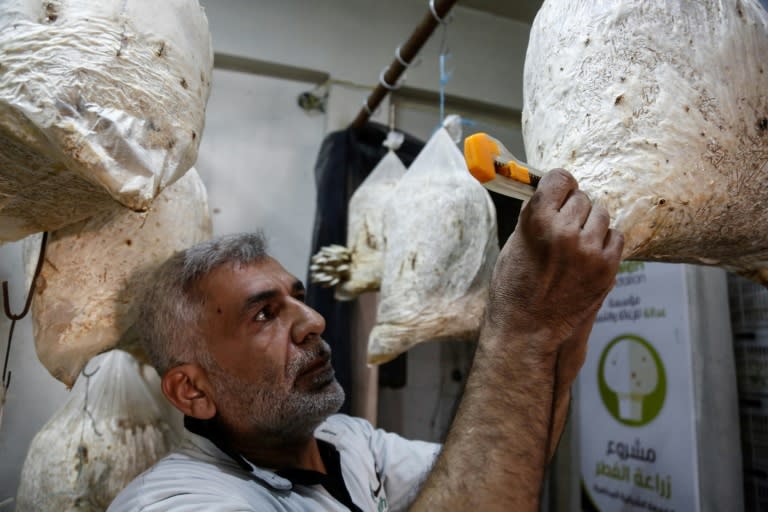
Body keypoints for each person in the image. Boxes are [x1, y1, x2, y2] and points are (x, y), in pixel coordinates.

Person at [108, 169, 623, 512]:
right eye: (265, 314)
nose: (313, 320)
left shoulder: (348, 442)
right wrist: (524, 329)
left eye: (298, 296)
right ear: (192, 390)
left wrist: (564, 326)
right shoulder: (180, 502)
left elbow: (498, 473)